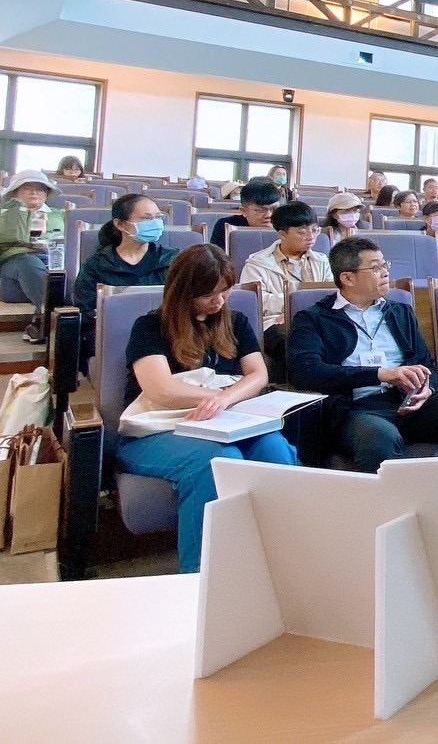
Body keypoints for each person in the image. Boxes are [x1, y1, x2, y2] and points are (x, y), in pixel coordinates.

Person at [287, 236, 438, 550]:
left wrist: (426, 388)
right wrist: (381, 374)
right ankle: (398, 539)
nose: (385, 272)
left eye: (385, 264)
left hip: (410, 403)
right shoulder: (314, 319)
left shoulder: (399, 311)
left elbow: (426, 364)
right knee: (378, 437)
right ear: (348, 278)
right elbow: (307, 372)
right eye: (375, 267)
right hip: (358, 410)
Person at [119, 244, 300, 573]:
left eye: (225, 291)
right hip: (159, 429)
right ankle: (200, 575)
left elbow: (258, 375)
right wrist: (212, 397)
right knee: (217, 461)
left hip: (225, 421)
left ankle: (284, 563)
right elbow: (160, 389)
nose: (219, 301)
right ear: (184, 291)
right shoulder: (150, 326)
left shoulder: (235, 321)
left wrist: (224, 399)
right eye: (208, 295)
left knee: (274, 449)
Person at [74, 193, 179, 354]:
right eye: (146, 218)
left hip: (164, 331)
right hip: (114, 334)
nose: (155, 223)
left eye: (158, 217)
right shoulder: (97, 265)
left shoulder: (172, 260)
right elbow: (85, 311)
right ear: (120, 224)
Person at [238, 199, 332, 372]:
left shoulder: (321, 261)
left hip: (316, 319)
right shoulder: (258, 263)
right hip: (273, 323)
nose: (311, 237)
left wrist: (297, 310)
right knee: (292, 340)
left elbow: (329, 295)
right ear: (282, 234)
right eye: (302, 232)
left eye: (315, 230)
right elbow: (255, 301)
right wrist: (289, 309)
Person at [0, 170, 66, 343]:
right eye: (27, 188)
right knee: (29, 263)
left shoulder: (60, 215)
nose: (34, 193)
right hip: (14, 266)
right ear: (15, 193)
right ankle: (58, 325)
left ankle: (40, 322)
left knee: (61, 272)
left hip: (54, 262)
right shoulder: (4, 215)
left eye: (40, 189)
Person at [209, 176, 282, 248]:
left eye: (275, 209)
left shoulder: (286, 225)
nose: (269, 215)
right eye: (260, 211)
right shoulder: (225, 226)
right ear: (244, 211)